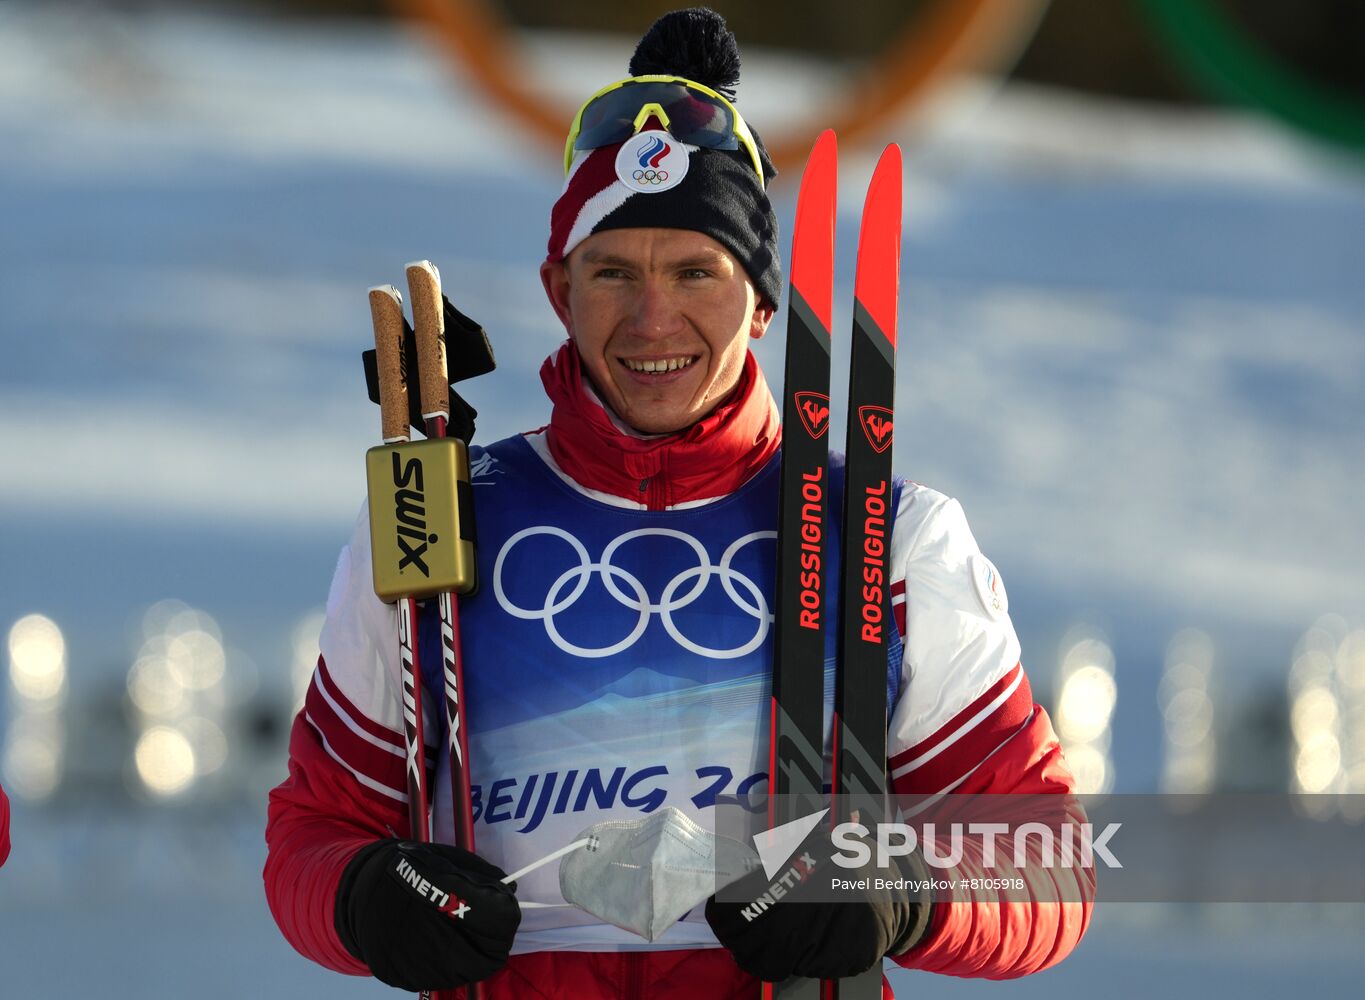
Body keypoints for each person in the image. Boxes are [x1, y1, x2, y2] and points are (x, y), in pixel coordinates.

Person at [264, 8, 1092, 997]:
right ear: (558, 287)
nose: (654, 317)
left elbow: (1047, 868)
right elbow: (315, 834)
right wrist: (366, 895)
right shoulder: (433, 521)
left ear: (764, 297)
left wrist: (900, 889)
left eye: (696, 271)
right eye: (613, 272)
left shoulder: (892, 539)